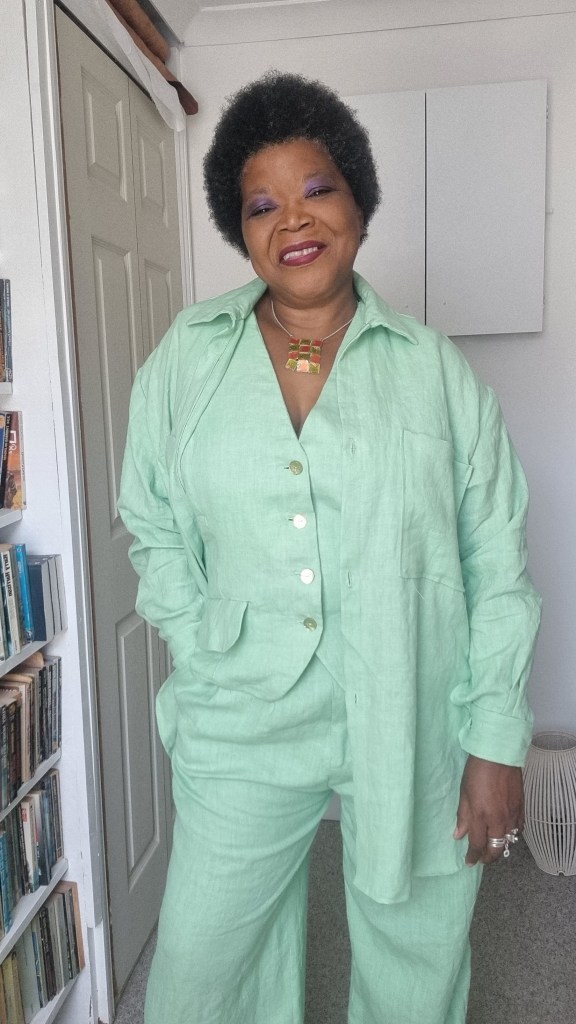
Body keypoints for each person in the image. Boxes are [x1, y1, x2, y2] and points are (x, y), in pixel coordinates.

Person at [118, 71, 541, 1024]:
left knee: (414, 949)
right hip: (241, 709)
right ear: (240, 230)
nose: (293, 219)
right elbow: (151, 518)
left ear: (358, 202)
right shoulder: (189, 355)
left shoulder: (436, 372)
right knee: (203, 964)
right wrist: (200, 638)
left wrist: (494, 741)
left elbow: (495, 562)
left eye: (317, 189)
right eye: (261, 205)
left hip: (411, 698)